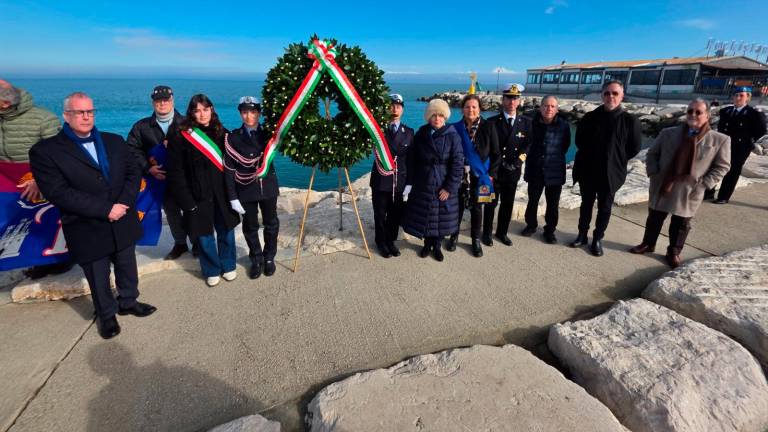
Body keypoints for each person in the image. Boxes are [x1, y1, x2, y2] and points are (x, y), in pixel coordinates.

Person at [29, 92, 156, 339]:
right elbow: (58, 192)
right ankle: (106, 315)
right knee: (97, 274)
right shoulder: (46, 151)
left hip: (122, 216)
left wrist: (122, 204)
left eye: (90, 111)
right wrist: (105, 209)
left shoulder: (114, 141)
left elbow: (133, 174)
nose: (86, 116)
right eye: (80, 112)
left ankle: (129, 301)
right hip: (86, 223)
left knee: (127, 264)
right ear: (66, 115)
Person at [630, 99, 730, 268]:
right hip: (663, 184)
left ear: (707, 115)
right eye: (690, 111)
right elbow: (652, 154)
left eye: (698, 112)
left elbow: (722, 166)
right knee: (654, 217)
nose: (693, 115)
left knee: (681, 224)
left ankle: (673, 252)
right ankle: (648, 243)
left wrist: (705, 184)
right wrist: (653, 172)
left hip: (690, 189)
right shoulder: (668, 133)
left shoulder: (719, 140)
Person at [0, 79, 75, 279]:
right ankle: (21, 257)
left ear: (5, 102)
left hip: (39, 176)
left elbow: (59, 154)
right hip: (7, 178)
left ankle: (59, 260)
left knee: (46, 219)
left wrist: (38, 179)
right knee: (12, 218)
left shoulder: (44, 119)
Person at [166, 94, 240, 287]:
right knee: (204, 234)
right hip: (197, 195)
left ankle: (229, 264)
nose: (202, 114)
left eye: (205, 109)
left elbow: (234, 163)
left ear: (212, 110)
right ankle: (211, 269)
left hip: (222, 193)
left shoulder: (223, 133)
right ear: (191, 112)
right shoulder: (181, 136)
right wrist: (186, 201)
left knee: (226, 230)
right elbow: (176, 172)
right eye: (197, 110)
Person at [571, 80, 642, 256]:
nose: (611, 96)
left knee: (605, 208)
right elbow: (579, 141)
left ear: (622, 96)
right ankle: (582, 234)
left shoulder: (630, 121)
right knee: (585, 204)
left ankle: (597, 238)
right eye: (607, 93)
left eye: (615, 93)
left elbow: (634, 147)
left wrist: (617, 160)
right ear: (602, 95)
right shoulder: (590, 117)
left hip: (610, 173)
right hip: (588, 170)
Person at [126, 85, 196, 260]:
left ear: (172, 101)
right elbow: (131, 150)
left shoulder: (188, 123)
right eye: (158, 100)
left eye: (166, 100)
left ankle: (197, 243)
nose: (162, 103)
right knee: (171, 212)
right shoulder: (141, 127)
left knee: (191, 211)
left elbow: (199, 150)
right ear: (153, 103)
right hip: (160, 178)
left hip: (186, 179)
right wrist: (147, 168)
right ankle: (180, 243)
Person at [224, 96, 279, 279]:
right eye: (245, 112)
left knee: (271, 224)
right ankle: (256, 259)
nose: (249, 116)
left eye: (253, 112)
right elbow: (230, 169)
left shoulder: (271, 134)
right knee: (250, 226)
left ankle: (269, 257)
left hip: (268, 186)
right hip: (246, 189)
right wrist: (232, 197)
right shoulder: (233, 138)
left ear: (259, 113)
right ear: (240, 113)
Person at [402, 99, 464, 262]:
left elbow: (458, 164)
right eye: (434, 115)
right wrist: (411, 182)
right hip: (423, 181)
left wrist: (449, 187)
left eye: (441, 115)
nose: (437, 118)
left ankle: (437, 246)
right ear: (429, 117)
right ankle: (427, 244)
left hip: (443, 182)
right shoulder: (421, 134)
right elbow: (413, 159)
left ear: (445, 117)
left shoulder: (453, 136)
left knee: (440, 217)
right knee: (427, 215)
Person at [483, 83, 531, 247]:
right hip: (494, 171)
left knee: (507, 204)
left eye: (515, 98)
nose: (512, 102)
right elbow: (487, 148)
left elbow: (528, 145)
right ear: (503, 100)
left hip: (513, 171)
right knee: (490, 203)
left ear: (519, 101)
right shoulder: (491, 122)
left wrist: (518, 161)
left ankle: (502, 232)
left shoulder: (526, 123)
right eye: (509, 98)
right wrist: (499, 163)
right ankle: (486, 233)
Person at [447, 94, 495, 257]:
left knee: (478, 208)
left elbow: (496, 153)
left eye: (474, 107)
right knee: (457, 207)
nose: (471, 110)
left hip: (482, 176)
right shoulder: (454, 128)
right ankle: (454, 236)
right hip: (460, 176)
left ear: (479, 109)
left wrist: (491, 175)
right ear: (462, 109)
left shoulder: (489, 126)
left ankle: (475, 240)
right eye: (467, 106)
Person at [521, 95, 570, 244]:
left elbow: (565, 146)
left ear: (557, 109)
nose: (549, 109)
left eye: (552, 106)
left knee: (553, 204)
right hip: (535, 169)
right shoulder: (531, 123)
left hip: (554, 170)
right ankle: (531, 225)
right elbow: (525, 143)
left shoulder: (563, 125)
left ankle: (550, 230)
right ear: (541, 107)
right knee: (533, 201)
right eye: (546, 106)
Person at [370, 93, 414, 258]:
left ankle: (390, 241)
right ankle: (380, 242)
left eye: (398, 106)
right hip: (381, 179)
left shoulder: (409, 132)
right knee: (380, 214)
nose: (394, 109)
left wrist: (410, 183)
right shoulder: (377, 131)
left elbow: (410, 159)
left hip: (399, 181)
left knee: (395, 215)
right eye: (391, 105)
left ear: (402, 109)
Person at [705, 86, 767, 204]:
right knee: (713, 167)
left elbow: (761, 130)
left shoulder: (753, 113)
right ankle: (708, 192)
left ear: (747, 98)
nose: (738, 98)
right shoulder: (726, 111)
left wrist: (749, 140)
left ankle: (723, 196)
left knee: (732, 171)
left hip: (740, 147)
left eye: (741, 95)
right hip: (722, 145)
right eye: (736, 95)